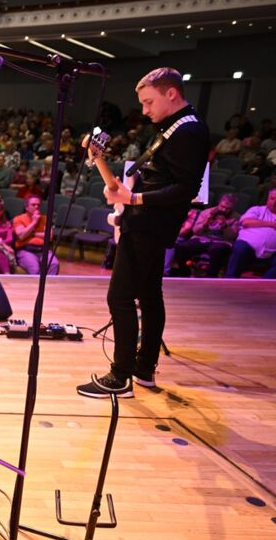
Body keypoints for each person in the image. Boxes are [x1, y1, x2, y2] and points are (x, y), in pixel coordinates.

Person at [77, 67, 210, 398]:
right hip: (148, 221)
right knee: (150, 295)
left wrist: (134, 197)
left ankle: (119, 376)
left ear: (171, 94)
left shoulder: (188, 131)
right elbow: (163, 176)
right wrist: (107, 168)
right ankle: (143, 370)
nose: (145, 110)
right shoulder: (174, 127)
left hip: (149, 225)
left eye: (149, 102)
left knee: (120, 296)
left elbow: (185, 189)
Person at [171, 193, 240, 277]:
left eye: (227, 208)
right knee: (181, 248)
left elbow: (232, 236)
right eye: (222, 206)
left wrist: (224, 226)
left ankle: (210, 277)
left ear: (233, 208)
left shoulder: (236, 217)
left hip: (222, 242)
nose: (224, 210)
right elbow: (195, 230)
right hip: (201, 238)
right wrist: (205, 224)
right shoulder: (207, 212)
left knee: (217, 250)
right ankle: (185, 273)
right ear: (219, 203)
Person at [224, 186, 276, 278]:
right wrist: (272, 224)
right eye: (272, 198)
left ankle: (265, 286)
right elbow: (246, 222)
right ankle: (230, 280)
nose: (275, 202)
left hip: (273, 252)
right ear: (268, 199)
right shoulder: (257, 210)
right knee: (240, 249)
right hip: (247, 245)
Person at [13, 194, 60, 275]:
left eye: (38, 205)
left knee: (54, 264)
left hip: (43, 250)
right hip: (26, 250)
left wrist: (32, 234)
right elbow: (21, 236)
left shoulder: (45, 219)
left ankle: (50, 286)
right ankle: (35, 287)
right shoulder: (19, 219)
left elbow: (49, 236)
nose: (36, 207)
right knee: (35, 269)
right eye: (33, 205)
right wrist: (34, 222)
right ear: (26, 207)